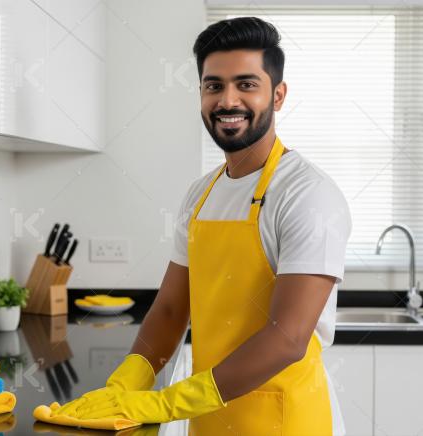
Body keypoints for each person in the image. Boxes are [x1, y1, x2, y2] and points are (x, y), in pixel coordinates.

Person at [55, 16, 351, 435]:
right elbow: (173, 308)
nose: (227, 101)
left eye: (246, 84)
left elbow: (287, 338)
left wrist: (167, 401)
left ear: (279, 95)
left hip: (286, 421)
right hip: (210, 419)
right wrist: (127, 382)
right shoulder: (201, 195)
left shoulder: (307, 195)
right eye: (214, 86)